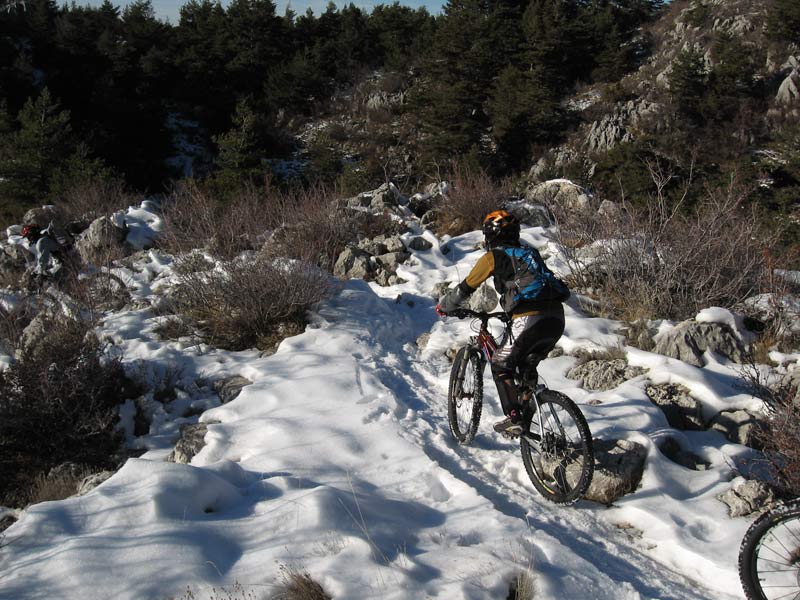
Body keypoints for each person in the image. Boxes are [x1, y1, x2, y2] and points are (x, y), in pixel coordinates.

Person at [436, 210, 568, 436]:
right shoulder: (529, 253)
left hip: (529, 317)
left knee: (500, 364)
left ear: (490, 235)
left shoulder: (494, 257)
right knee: (526, 366)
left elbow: (467, 287)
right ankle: (529, 420)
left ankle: (515, 417)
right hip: (556, 318)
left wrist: (445, 306)